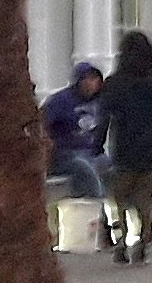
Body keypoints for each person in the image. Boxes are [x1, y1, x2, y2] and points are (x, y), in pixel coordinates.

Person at [103, 31, 152, 261]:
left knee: (119, 200)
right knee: (144, 201)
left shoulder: (114, 83)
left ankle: (121, 242)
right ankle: (142, 241)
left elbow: (106, 114)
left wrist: (98, 141)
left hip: (124, 148)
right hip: (150, 148)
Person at [42, 59, 114, 251]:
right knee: (85, 169)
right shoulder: (61, 102)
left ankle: (124, 220)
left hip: (90, 152)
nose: (92, 84)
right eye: (87, 80)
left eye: (95, 80)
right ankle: (101, 223)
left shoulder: (99, 103)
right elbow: (42, 124)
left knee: (109, 166)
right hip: (65, 154)